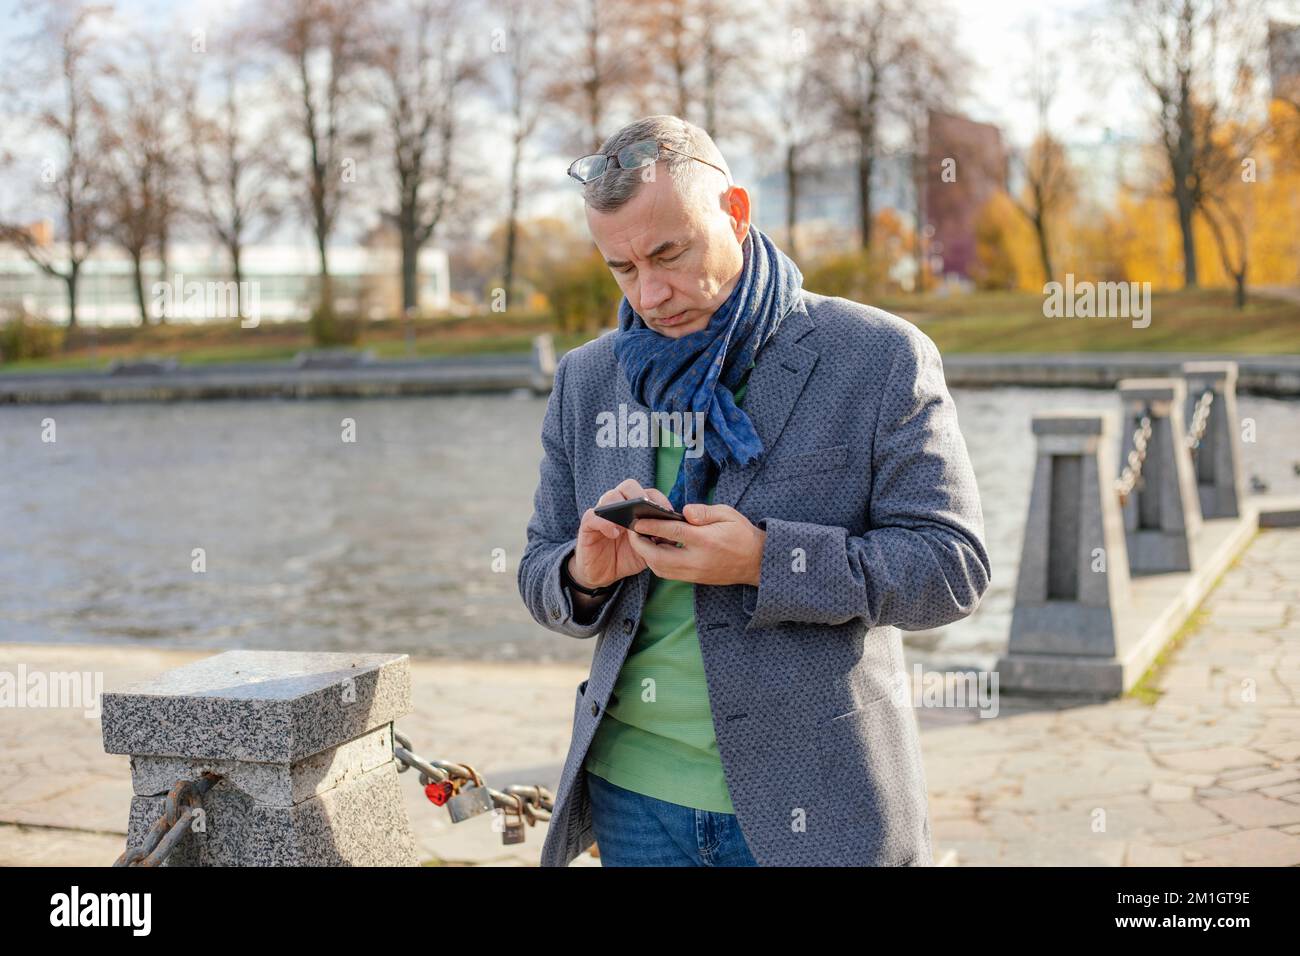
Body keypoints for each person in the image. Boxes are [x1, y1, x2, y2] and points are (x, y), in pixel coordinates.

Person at [518, 114, 990, 867]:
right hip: (633, 799)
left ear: (736, 212)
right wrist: (583, 575)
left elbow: (952, 569)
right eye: (623, 268)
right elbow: (538, 568)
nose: (652, 293)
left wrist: (769, 561)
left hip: (822, 799)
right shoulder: (586, 377)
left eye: (670, 253)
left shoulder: (877, 356)